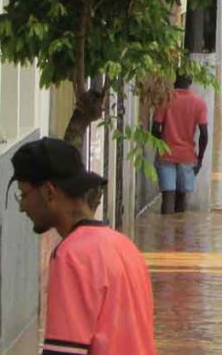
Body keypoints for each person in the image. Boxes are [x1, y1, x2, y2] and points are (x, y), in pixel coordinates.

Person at [10, 137, 155, 355]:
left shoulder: (72, 256)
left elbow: (64, 351)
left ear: (49, 192)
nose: (22, 207)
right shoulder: (125, 247)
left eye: (24, 194)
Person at [152, 73, 208, 214]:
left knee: (167, 196)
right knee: (182, 197)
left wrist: (162, 144)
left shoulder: (165, 99)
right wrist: (200, 159)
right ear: (190, 81)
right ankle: (180, 231)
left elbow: (155, 129)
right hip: (187, 156)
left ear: (174, 80)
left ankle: (165, 231)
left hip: (166, 154)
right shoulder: (199, 103)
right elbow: (204, 134)